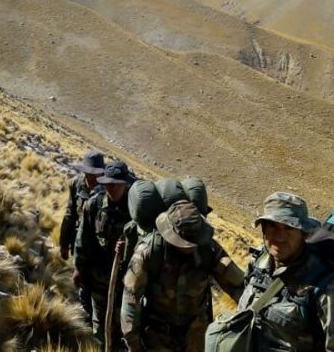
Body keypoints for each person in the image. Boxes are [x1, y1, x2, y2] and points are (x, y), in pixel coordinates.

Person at [231, 192, 334, 351]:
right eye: (272, 225)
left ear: (303, 232)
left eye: (289, 227)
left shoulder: (329, 288)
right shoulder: (259, 261)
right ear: (263, 229)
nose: (280, 236)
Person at [121, 201, 244, 352]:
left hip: (196, 336)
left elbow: (238, 286)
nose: (191, 246)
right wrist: (133, 343)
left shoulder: (208, 250)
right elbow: (131, 299)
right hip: (157, 337)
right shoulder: (148, 253)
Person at [74, 161, 135, 349]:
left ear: (125, 184)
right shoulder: (94, 205)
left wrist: (128, 248)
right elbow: (83, 239)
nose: (112, 189)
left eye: (116, 185)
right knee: (100, 328)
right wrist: (79, 268)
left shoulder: (136, 209)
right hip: (99, 280)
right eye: (108, 184)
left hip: (126, 284)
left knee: (124, 330)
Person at [60, 150, 105, 318]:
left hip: (101, 248)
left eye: (97, 173)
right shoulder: (76, 184)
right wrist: (64, 243)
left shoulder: (108, 188)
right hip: (80, 245)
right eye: (90, 173)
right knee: (83, 282)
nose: (93, 177)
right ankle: (88, 315)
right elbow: (70, 214)